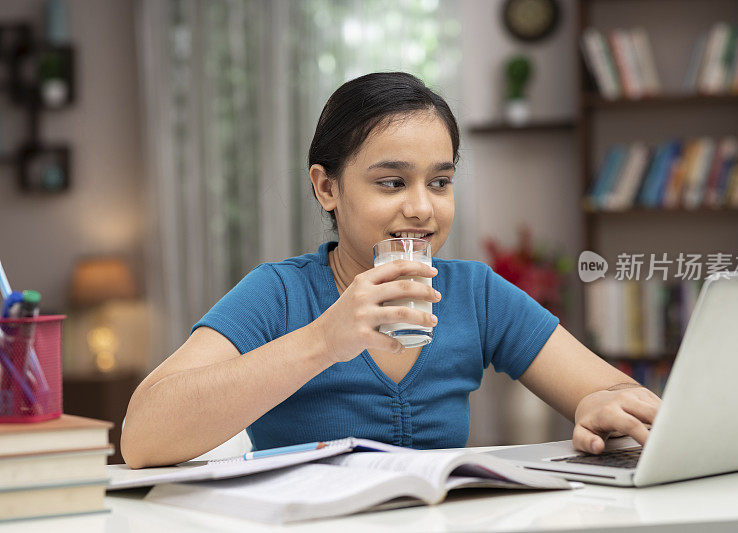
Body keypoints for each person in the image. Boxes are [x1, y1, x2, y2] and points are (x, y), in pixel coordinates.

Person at [121, 72, 661, 469]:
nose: (423, 207)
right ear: (326, 187)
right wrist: (323, 341)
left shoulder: (475, 293)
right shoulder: (280, 292)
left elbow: (611, 391)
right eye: (392, 182)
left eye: (441, 181)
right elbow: (142, 436)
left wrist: (599, 402)